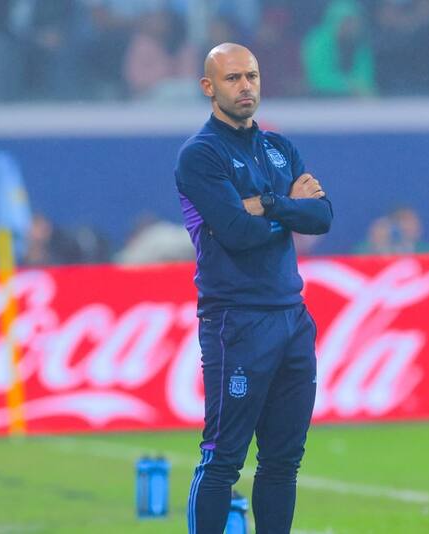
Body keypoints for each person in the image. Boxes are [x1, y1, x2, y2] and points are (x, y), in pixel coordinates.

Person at [174, 42, 332, 534]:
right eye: (233, 79)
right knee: (223, 459)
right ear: (209, 87)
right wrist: (286, 204)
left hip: (291, 317)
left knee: (283, 462)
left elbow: (323, 216)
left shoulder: (278, 148)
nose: (246, 87)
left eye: (252, 76)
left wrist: (263, 204)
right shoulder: (200, 156)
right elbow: (237, 235)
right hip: (235, 321)